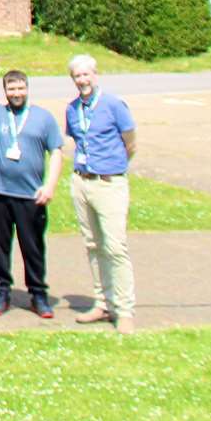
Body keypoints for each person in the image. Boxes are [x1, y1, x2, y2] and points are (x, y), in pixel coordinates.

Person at [0, 58, 65, 318]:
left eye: (20, 88)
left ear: (27, 88)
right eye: (11, 89)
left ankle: (38, 294)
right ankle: (1, 292)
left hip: (30, 195)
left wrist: (50, 186)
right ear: (5, 92)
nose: (16, 93)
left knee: (32, 247)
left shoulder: (43, 118)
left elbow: (56, 152)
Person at [63, 54, 138, 334]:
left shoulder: (114, 105)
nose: (82, 80)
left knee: (115, 246)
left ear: (95, 75)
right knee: (93, 244)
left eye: (86, 75)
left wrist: (114, 167)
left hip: (109, 183)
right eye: (77, 76)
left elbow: (130, 142)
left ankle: (124, 309)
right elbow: (77, 139)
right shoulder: (72, 109)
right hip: (82, 181)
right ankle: (102, 302)